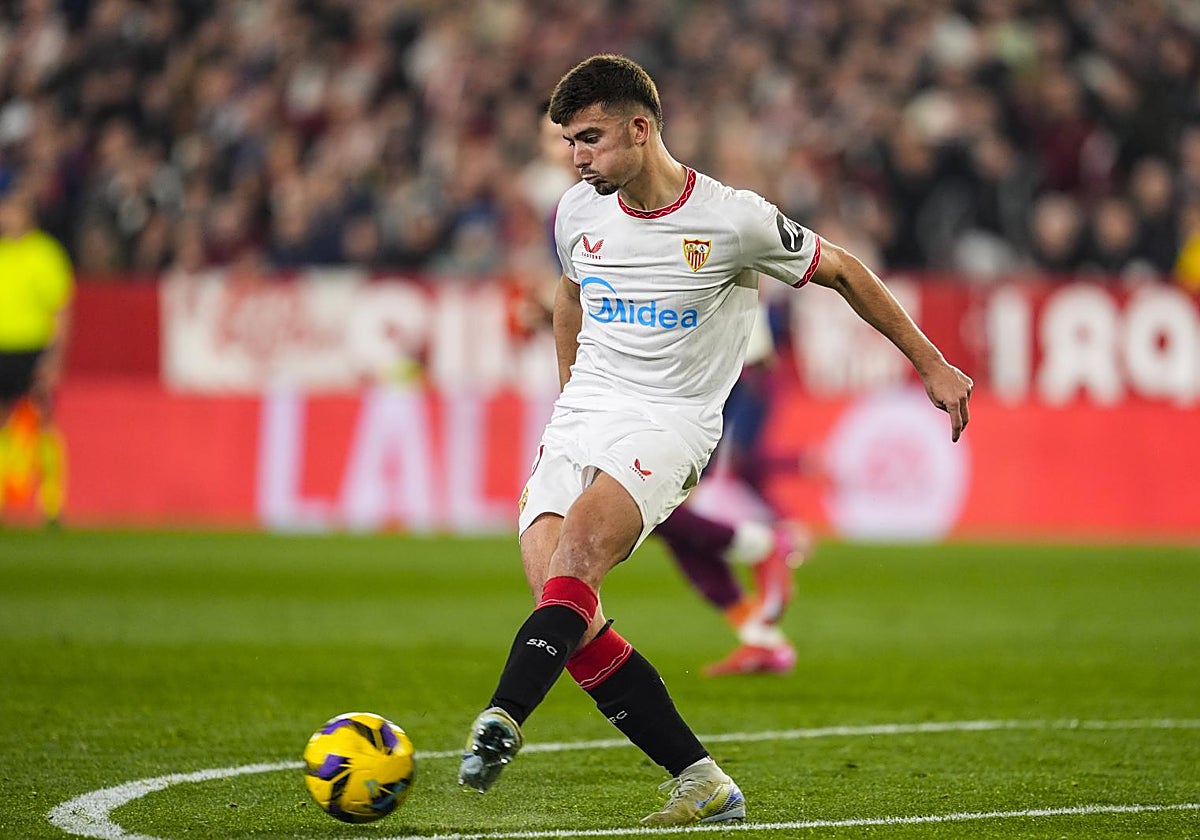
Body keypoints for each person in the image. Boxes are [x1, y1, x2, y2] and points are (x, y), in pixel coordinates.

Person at [458, 55, 972, 826]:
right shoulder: (576, 213)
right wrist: (570, 401)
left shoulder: (733, 219)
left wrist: (932, 364)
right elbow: (569, 297)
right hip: (584, 414)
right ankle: (702, 780)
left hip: (673, 419)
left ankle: (500, 719)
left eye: (590, 138)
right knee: (563, 602)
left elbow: (845, 272)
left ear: (641, 127)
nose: (577, 157)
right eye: (570, 141)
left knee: (576, 564)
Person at [0, 187, 74, 527]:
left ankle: (52, 504)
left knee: (43, 422)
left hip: (32, 349)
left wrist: (54, 356)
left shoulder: (45, 254)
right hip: (2, 348)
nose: (4, 216)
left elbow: (61, 308)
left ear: (26, 214)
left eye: (10, 209)